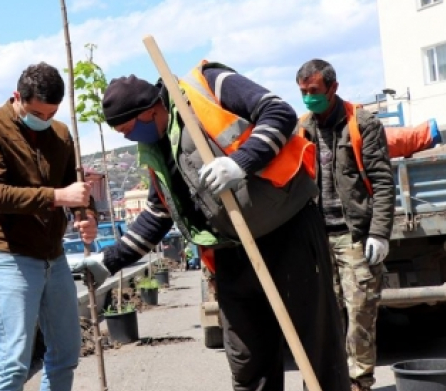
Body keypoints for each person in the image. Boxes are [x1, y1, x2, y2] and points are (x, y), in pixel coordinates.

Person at [71, 62, 350, 391]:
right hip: (231, 251)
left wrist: (240, 161)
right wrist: (110, 260)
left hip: (287, 231)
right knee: (248, 361)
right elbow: (159, 214)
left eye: (127, 129)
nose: (129, 138)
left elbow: (278, 112)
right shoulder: (158, 149)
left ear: (149, 110)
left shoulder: (207, 84)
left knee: (317, 348)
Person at [0, 62, 98, 391]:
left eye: (50, 114)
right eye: (37, 114)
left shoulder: (60, 133)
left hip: (54, 258)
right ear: (17, 97)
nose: (44, 122)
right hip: (10, 256)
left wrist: (86, 214)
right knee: (13, 361)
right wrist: (57, 197)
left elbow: (75, 186)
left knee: (66, 353)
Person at [295, 59, 395, 391]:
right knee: (324, 319)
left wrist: (379, 233)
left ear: (332, 88)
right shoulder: (302, 129)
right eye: (303, 92)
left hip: (354, 236)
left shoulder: (361, 124)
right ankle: (326, 383)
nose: (309, 99)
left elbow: (382, 182)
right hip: (317, 239)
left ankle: (358, 384)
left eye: (314, 92)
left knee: (360, 318)